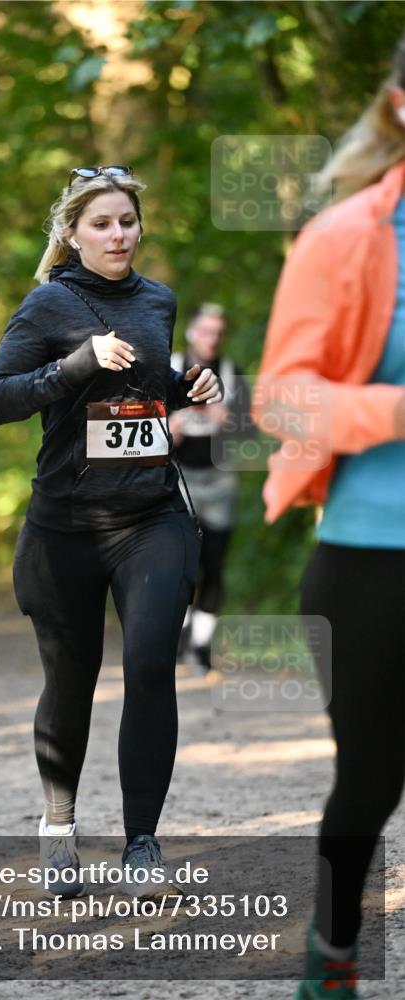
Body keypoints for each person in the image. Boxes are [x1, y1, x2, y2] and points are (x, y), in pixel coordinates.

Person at [0, 165, 222, 897]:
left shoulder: (158, 301)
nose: (117, 234)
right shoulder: (48, 304)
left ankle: (141, 842)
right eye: (101, 223)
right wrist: (74, 365)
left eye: (126, 221)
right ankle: (59, 827)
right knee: (71, 679)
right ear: (72, 233)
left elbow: (144, 387)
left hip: (151, 515)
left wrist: (188, 386)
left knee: (150, 662)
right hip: (65, 528)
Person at [253, 38, 405, 1000]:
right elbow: (280, 401)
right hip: (371, 558)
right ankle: (334, 947)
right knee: (370, 781)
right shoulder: (348, 236)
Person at [170, 302, 253, 670]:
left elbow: (250, 434)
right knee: (178, 564)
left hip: (221, 478)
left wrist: (228, 421)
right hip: (178, 479)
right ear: (191, 331)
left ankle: (201, 647)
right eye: (206, 331)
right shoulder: (169, 367)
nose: (212, 339)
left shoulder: (233, 374)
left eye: (218, 333)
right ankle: (179, 638)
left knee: (213, 564)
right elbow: (141, 426)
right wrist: (169, 428)